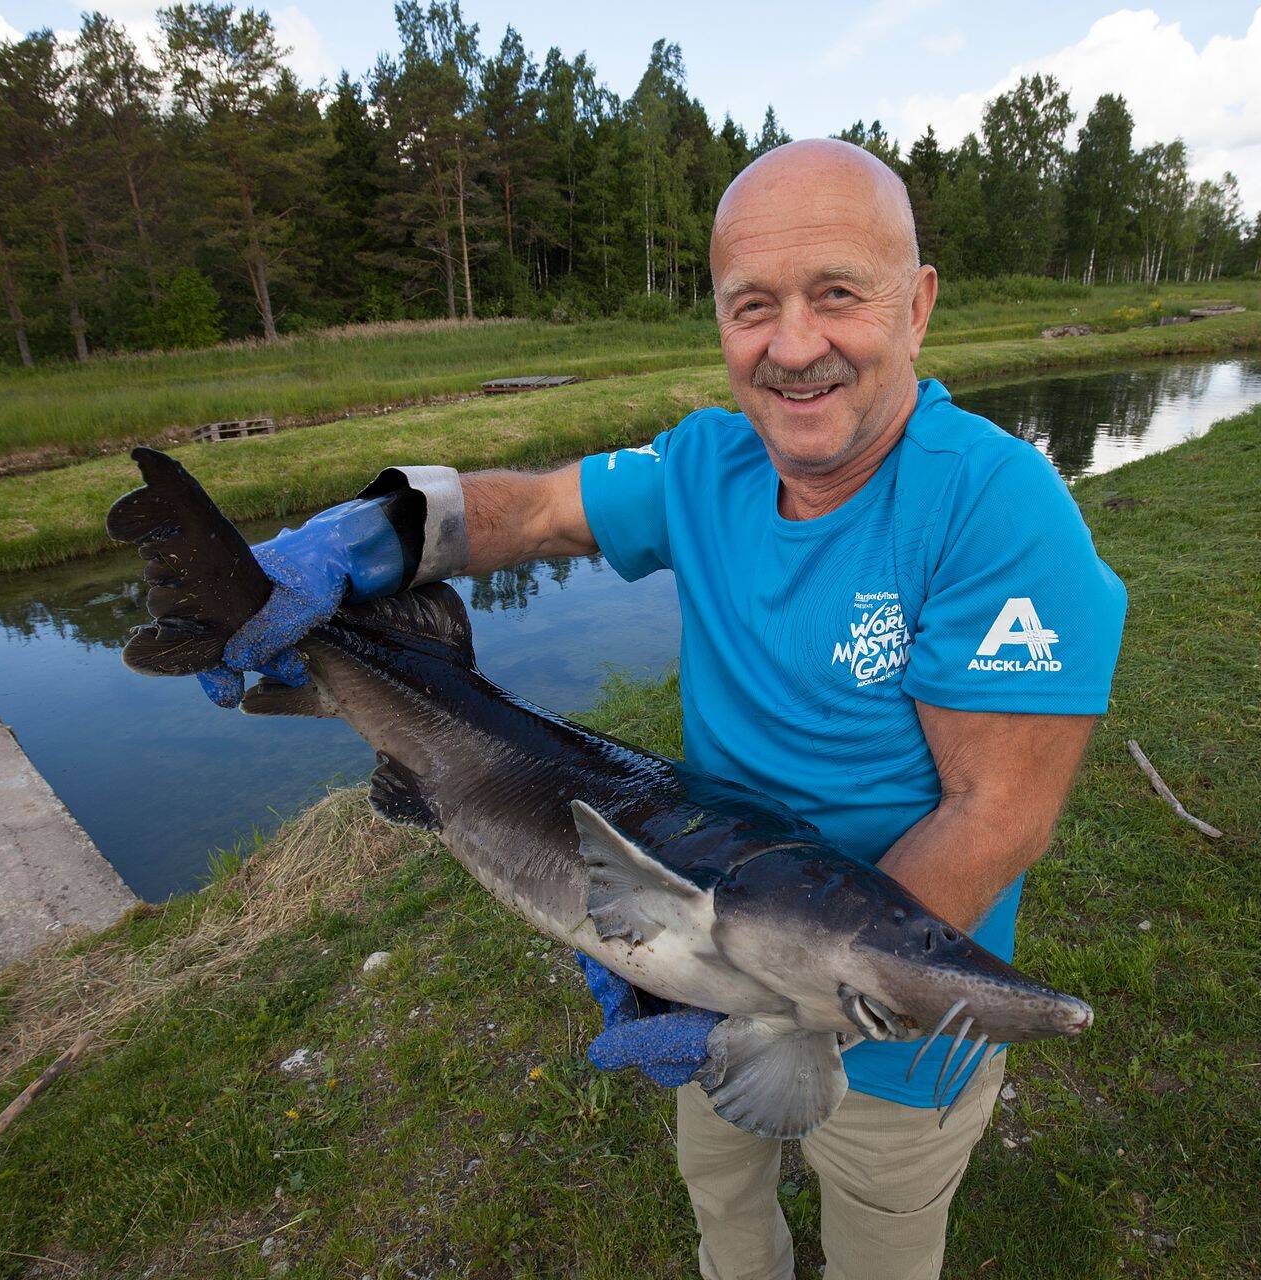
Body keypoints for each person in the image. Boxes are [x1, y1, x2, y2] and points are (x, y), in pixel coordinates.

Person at [199, 138, 1126, 1280]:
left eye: (838, 293)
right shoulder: (710, 461)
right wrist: (373, 533)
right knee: (723, 1200)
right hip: (693, 926)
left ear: (919, 304)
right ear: (722, 324)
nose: (794, 346)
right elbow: (537, 511)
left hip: (885, 1033)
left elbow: (997, 816)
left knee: (881, 1237)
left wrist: (764, 998)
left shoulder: (995, 508)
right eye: (754, 306)